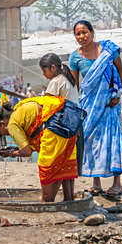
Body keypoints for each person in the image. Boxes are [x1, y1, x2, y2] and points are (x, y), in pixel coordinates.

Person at [69, 20, 122, 195]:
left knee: (112, 140)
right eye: (78, 34)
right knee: (91, 141)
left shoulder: (108, 50)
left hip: (110, 104)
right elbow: (75, 85)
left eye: (85, 32)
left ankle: (117, 183)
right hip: (89, 106)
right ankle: (96, 183)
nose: (82, 36)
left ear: (92, 32)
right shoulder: (75, 57)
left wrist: (117, 95)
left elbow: (120, 71)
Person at [0, 96, 78, 202]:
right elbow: (31, 143)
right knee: (64, 162)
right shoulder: (19, 110)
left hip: (55, 127)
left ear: (2, 124)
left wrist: (11, 153)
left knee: (47, 166)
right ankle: (68, 200)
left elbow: (26, 152)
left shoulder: (12, 124)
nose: (0, 133)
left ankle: (46, 201)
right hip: (68, 120)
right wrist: (15, 149)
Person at [39, 53, 82, 185]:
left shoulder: (56, 82)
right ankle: (68, 197)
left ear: (53, 68)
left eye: (44, 71)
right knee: (69, 164)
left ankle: (50, 197)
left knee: (57, 164)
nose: (43, 74)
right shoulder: (69, 79)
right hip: (75, 125)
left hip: (62, 127)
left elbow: (48, 107)